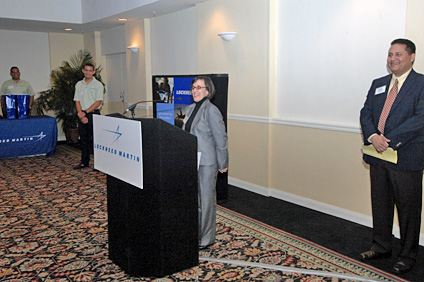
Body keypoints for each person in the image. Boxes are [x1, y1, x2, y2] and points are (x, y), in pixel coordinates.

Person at [359, 38, 424, 275]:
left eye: (398, 54)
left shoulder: (421, 84)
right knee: (381, 203)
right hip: (378, 156)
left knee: (408, 210)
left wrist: (388, 139)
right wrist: (373, 136)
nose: (393, 59)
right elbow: (365, 112)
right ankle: (381, 246)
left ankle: (407, 255)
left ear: (412, 57)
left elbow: (420, 118)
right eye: (389, 54)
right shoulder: (378, 83)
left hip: (406, 158)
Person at [182, 76, 229, 249]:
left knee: (207, 201)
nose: (195, 90)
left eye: (199, 87)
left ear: (207, 91)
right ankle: (197, 232)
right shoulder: (190, 108)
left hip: (207, 163)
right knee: (196, 201)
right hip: (192, 161)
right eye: (193, 87)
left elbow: (221, 138)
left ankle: (206, 238)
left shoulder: (211, 110)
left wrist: (222, 163)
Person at [73, 63, 104, 170]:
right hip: (81, 114)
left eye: (90, 70)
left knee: (96, 140)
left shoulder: (98, 85)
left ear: (94, 72)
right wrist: (80, 113)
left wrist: (85, 113)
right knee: (84, 140)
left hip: (93, 114)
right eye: (86, 70)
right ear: (83, 71)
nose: (88, 72)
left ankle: (99, 164)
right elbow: (77, 100)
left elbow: (98, 101)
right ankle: (84, 162)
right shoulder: (79, 84)